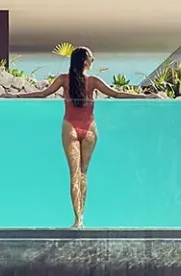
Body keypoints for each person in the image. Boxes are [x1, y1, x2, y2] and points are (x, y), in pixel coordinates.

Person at [30, 45, 116, 227]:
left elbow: (43, 94)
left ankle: (78, 219)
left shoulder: (64, 80)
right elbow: (116, 94)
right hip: (89, 129)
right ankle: (80, 217)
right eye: (91, 58)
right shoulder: (93, 81)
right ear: (84, 61)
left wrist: (16, 96)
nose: (93, 61)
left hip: (71, 126)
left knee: (75, 174)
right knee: (83, 173)